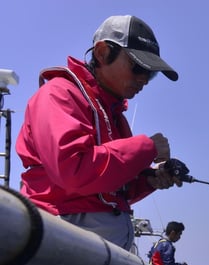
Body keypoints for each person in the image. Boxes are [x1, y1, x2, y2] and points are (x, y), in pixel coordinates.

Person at [16, 15, 182, 250]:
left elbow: (109, 189)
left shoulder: (113, 114)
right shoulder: (58, 95)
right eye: (138, 66)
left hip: (101, 252)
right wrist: (147, 148)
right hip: (64, 241)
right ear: (102, 53)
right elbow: (74, 171)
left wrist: (150, 179)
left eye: (151, 72)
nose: (144, 78)